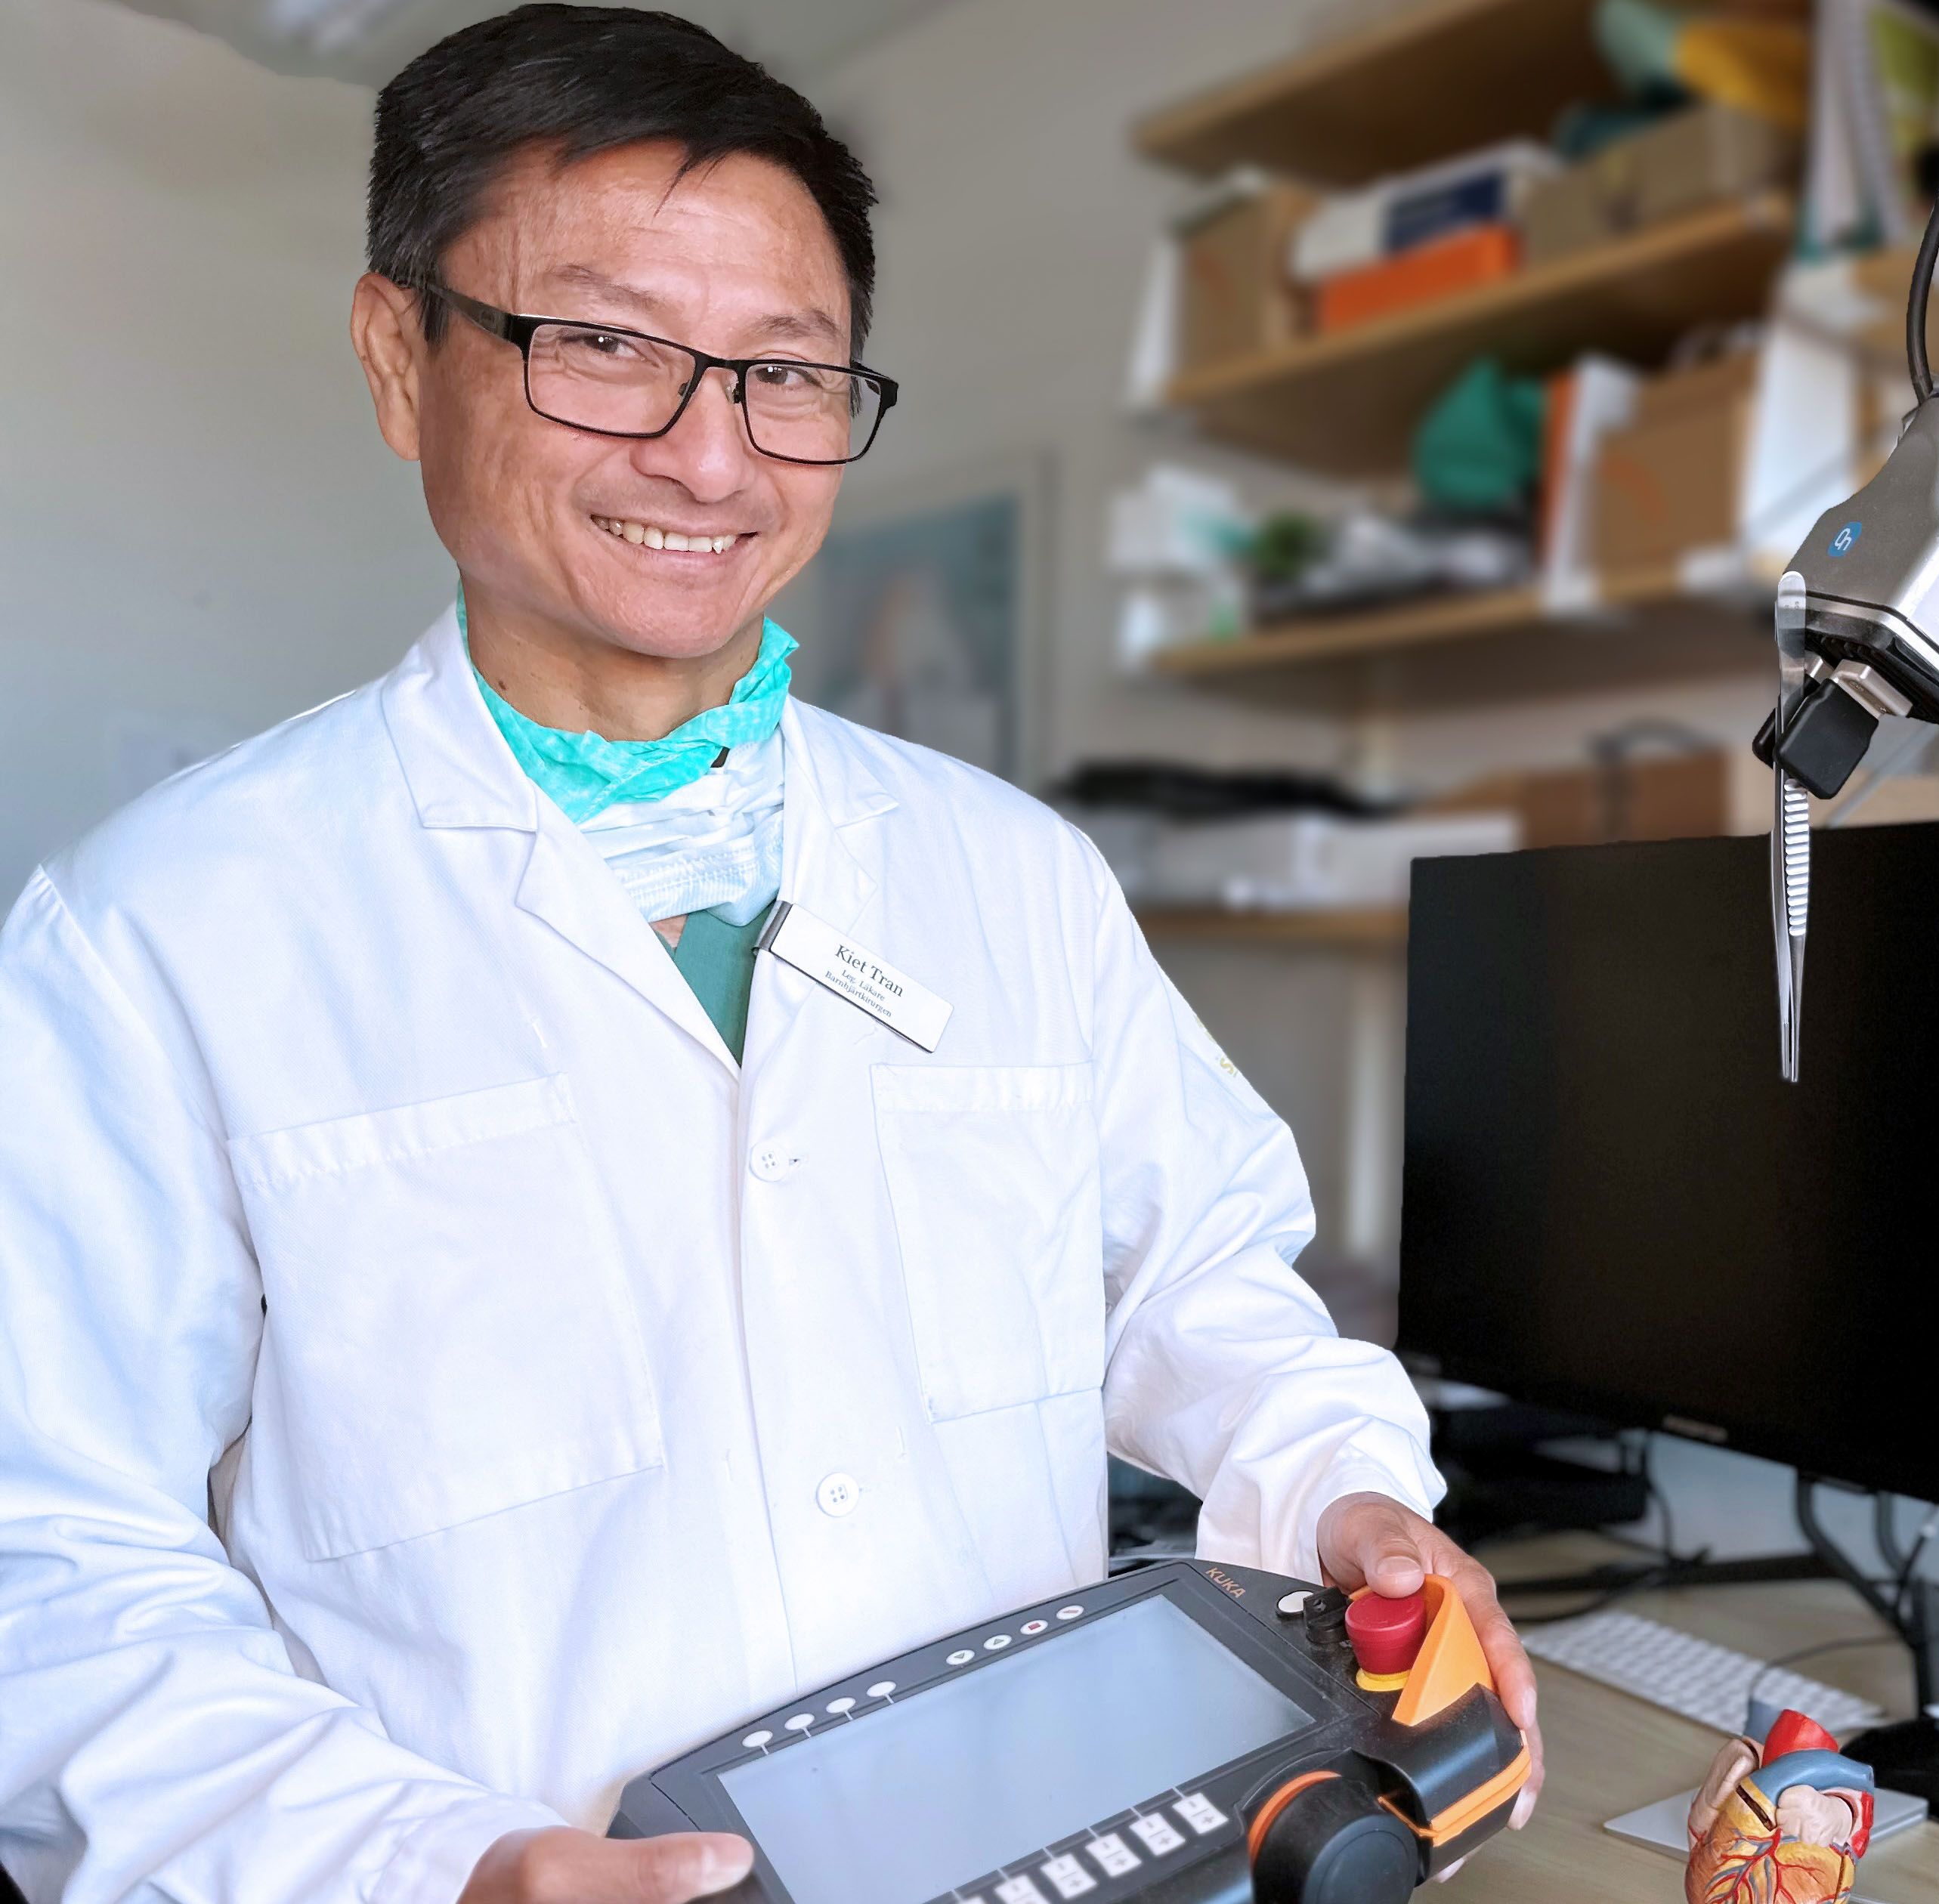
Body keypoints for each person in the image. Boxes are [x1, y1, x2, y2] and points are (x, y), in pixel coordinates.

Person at [0, 9, 1537, 1901]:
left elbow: (1200, 1284)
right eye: (607, 347)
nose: (709, 454)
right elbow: (54, 1562)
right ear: (402, 357)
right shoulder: (160, 934)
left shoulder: (1012, 876)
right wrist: (442, 1868)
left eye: (787, 374)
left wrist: (1350, 1499)